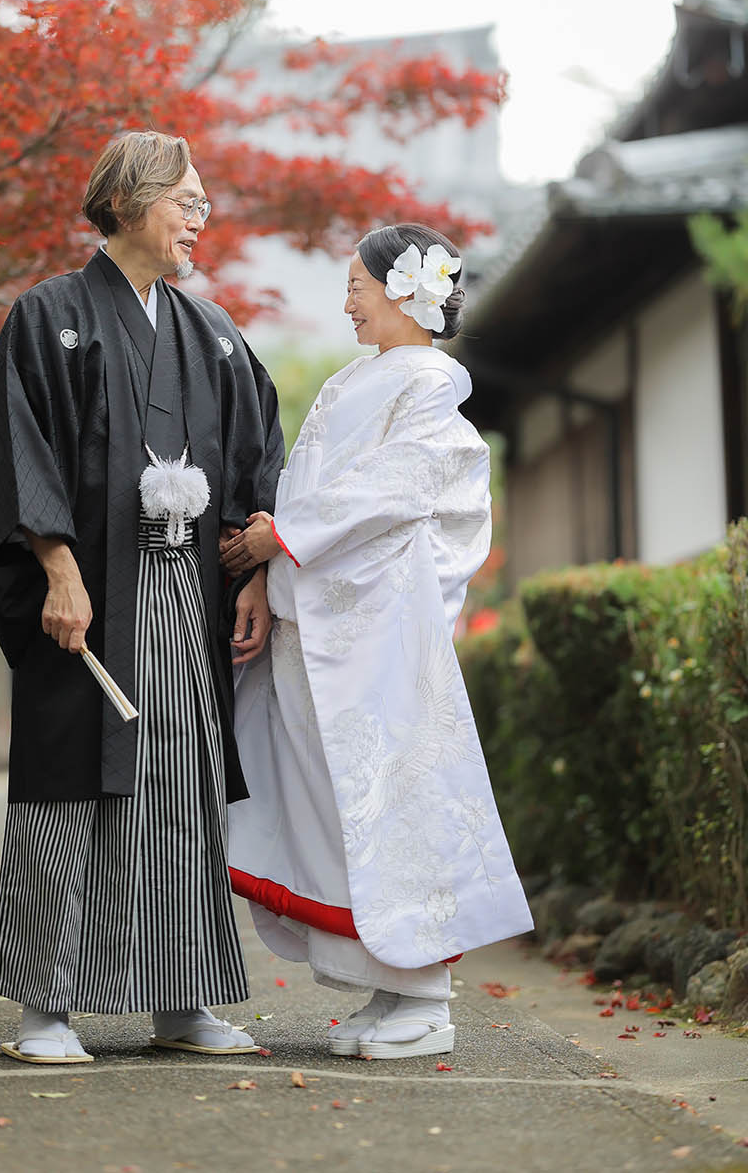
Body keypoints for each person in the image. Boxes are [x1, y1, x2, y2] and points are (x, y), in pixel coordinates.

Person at [0, 130, 284, 1063]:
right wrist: (57, 572)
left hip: (184, 593)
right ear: (132, 199)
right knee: (72, 789)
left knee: (180, 783)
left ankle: (183, 1001)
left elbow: (259, 454)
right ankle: (46, 1008)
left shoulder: (212, 331)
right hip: (91, 599)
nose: (201, 218)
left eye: (204, 204)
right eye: (187, 200)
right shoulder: (49, 314)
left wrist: (258, 570)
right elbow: (12, 450)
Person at [221, 223, 533, 1060]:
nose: (347, 300)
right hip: (325, 615)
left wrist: (279, 538)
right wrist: (274, 551)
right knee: (332, 800)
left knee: (393, 796)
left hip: (381, 627)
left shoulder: (432, 384)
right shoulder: (352, 380)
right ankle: (386, 985)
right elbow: (315, 486)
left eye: (358, 284)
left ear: (404, 290)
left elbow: (395, 489)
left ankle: (426, 994)